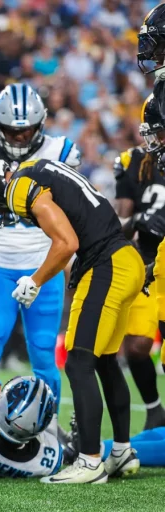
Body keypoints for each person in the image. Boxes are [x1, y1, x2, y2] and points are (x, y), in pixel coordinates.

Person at [0, 158, 144, 484]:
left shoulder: (18, 187)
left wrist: (35, 280)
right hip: (124, 259)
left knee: (78, 363)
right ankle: (121, 451)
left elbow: (66, 242)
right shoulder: (35, 166)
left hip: (107, 264)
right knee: (105, 362)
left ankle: (89, 461)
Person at [0, 84, 81, 406]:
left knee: (43, 350)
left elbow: (73, 210)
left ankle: (47, 428)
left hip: (42, 264)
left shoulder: (61, 151)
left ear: (41, 123)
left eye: (26, 130)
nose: (20, 137)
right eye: (11, 130)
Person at [112, 94, 165, 430]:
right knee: (136, 345)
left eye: (159, 131)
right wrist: (140, 221)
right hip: (147, 259)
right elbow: (121, 221)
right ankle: (155, 409)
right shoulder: (135, 161)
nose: (154, 139)